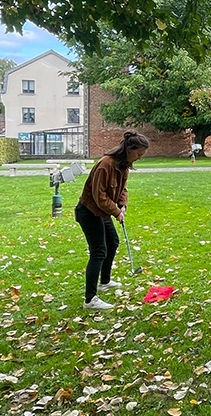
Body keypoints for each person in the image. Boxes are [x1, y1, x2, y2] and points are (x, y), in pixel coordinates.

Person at [75, 131, 149, 311]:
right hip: (89, 211)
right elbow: (98, 196)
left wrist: (122, 205)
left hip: (102, 212)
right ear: (130, 149)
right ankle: (90, 299)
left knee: (113, 241)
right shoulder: (105, 165)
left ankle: (105, 282)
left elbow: (122, 189)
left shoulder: (124, 165)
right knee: (99, 251)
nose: (139, 158)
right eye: (138, 154)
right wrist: (116, 212)